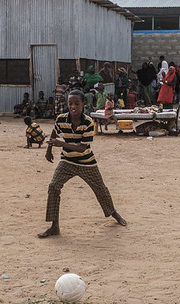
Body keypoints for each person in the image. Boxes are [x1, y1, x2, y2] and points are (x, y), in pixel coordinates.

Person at [38, 90, 127, 238]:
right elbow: (54, 132)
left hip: (87, 162)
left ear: (83, 104)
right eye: (70, 103)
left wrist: (61, 144)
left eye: (76, 104)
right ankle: (54, 226)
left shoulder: (88, 122)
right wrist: (49, 150)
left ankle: (114, 213)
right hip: (67, 161)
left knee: (100, 189)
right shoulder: (61, 119)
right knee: (53, 186)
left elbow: (82, 148)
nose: (73, 107)